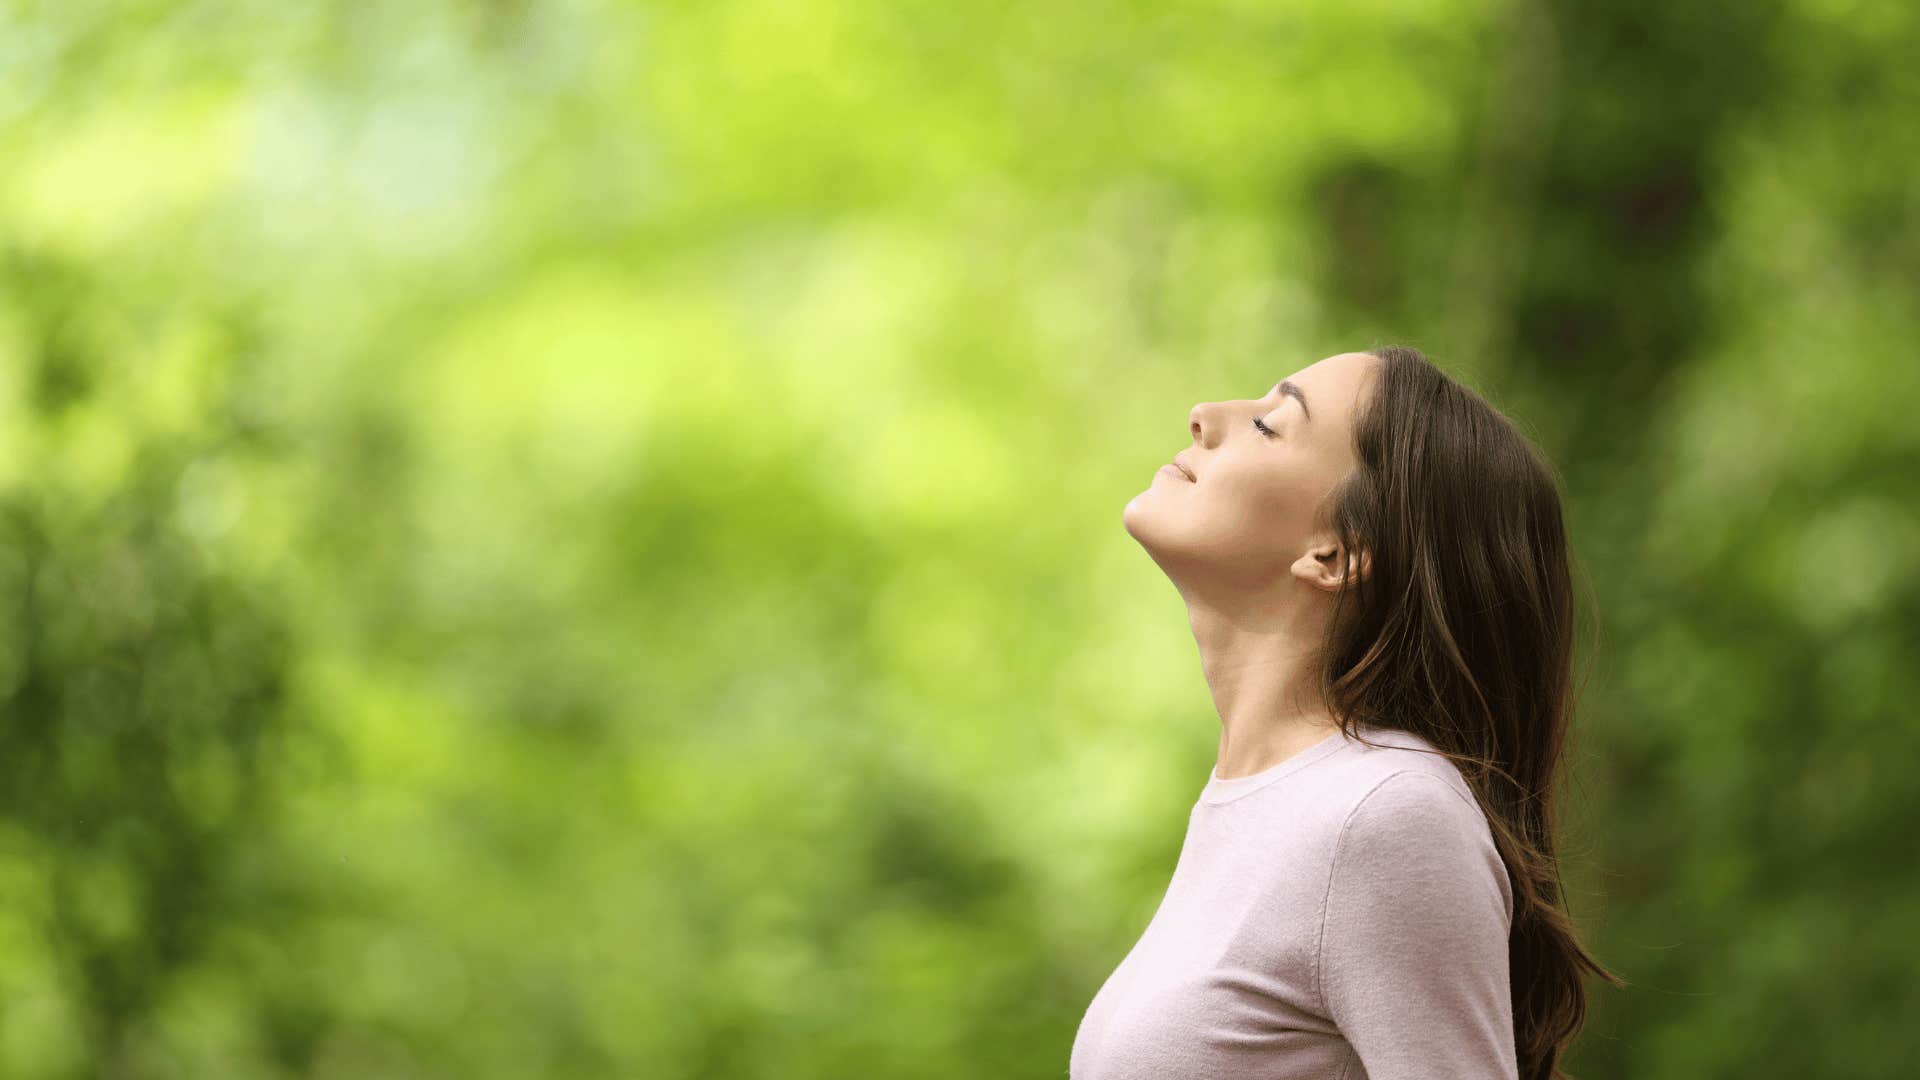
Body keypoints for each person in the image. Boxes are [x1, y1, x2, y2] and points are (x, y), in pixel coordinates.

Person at [1074, 345, 1623, 1080]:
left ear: (1335, 554)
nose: (1204, 417)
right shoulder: (1266, 806)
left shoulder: (1384, 813)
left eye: (1270, 424)